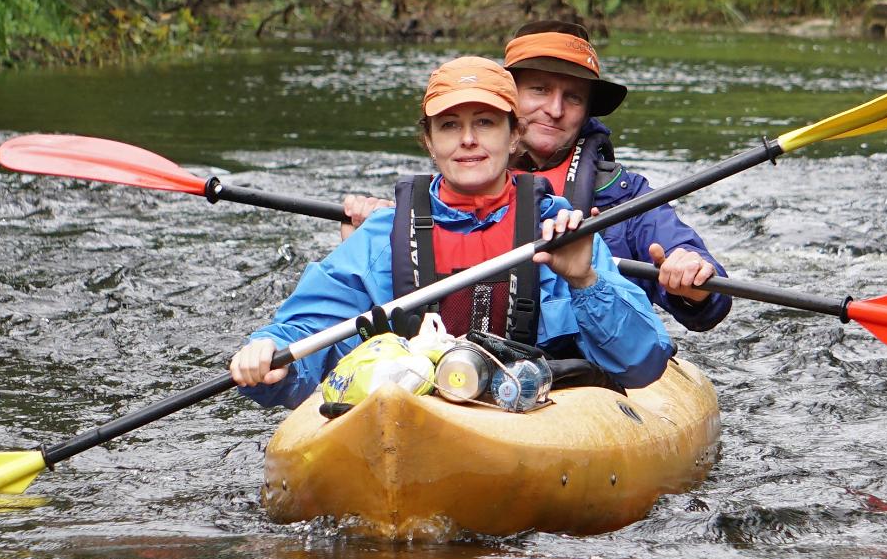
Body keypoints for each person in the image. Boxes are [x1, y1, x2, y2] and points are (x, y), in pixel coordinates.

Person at [230, 56, 672, 409]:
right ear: (429, 140)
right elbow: (306, 329)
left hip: (531, 412)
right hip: (415, 410)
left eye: (484, 122)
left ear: (514, 134)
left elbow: (642, 364)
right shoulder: (384, 234)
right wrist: (271, 356)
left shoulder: (557, 230)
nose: (468, 140)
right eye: (449, 125)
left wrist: (586, 281)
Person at [342, 22, 732, 332]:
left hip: (584, 374)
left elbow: (710, 305)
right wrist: (379, 234)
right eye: (540, 90)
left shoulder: (624, 196)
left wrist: (691, 278)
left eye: (573, 97)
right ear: (507, 101)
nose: (555, 109)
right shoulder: (450, 184)